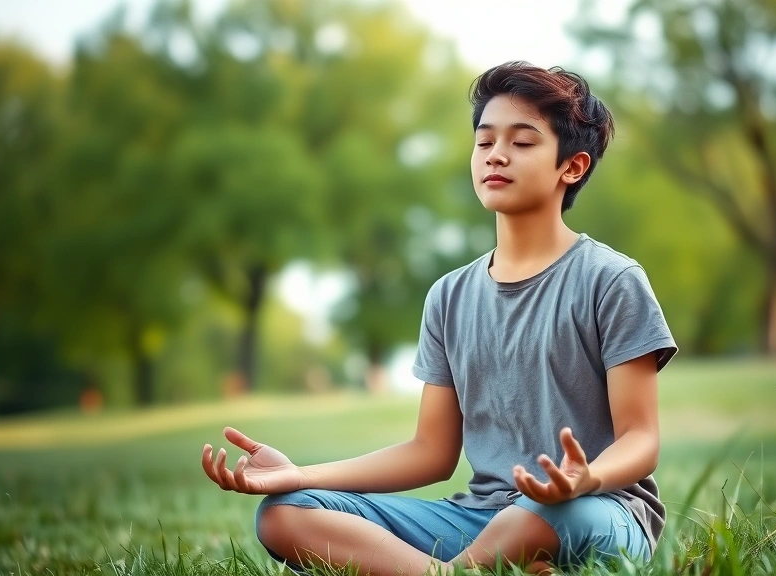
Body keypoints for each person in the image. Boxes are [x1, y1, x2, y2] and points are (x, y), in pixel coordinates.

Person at [201, 61, 677, 575]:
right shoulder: (449, 296)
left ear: (572, 166)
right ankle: (476, 569)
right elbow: (430, 452)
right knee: (285, 516)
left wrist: (585, 479)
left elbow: (641, 439)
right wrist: (298, 476)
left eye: (522, 143)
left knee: (539, 512)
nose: (496, 154)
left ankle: (452, 572)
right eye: (484, 140)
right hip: (477, 521)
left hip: (594, 512)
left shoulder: (611, 280)